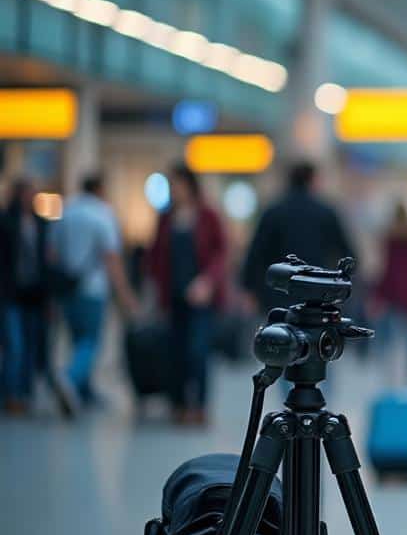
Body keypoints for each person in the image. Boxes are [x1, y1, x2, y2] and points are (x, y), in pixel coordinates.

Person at [147, 163, 228, 425]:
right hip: (173, 296)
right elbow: (156, 256)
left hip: (201, 297)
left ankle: (200, 405)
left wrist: (208, 282)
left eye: (178, 184)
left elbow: (221, 253)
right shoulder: (166, 217)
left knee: (198, 350)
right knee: (176, 351)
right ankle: (179, 404)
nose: (175, 190)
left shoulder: (207, 215)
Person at [50, 172, 139, 408]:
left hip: (67, 288)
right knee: (90, 341)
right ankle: (69, 378)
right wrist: (125, 294)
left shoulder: (67, 211)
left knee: (76, 339)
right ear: (100, 189)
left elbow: (52, 253)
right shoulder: (103, 214)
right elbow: (111, 258)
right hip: (93, 288)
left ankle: (83, 391)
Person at [241, 161, 357, 314]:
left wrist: (250, 288)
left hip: (278, 295)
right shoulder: (325, 213)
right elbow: (347, 253)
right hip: (316, 298)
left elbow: (256, 255)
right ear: (312, 180)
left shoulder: (273, 212)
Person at [0, 178, 73, 418]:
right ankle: (12, 394)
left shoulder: (41, 224)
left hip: (36, 295)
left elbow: (47, 260)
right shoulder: (6, 222)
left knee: (32, 345)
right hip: (12, 293)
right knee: (15, 345)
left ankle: (25, 392)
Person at [369, 201, 407, 384]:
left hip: (394, 291)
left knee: (388, 338)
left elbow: (387, 268)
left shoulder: (391, 238)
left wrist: (378, 294)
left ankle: (390, 378)